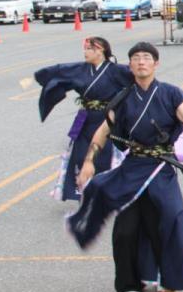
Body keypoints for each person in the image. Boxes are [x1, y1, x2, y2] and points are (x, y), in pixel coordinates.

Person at [68, 42, 183, 292]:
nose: (141, 62)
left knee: (168, 221)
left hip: (161, 167)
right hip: (133, 167)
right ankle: (128, 282)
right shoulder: (123, 97)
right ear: (130, 65)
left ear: (156, 64)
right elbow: (103, 131)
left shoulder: (171, 93)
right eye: (135, 58)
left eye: (146, 57)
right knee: (126, 229)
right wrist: (90, 161)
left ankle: (167, 278)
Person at [30, 37, 133, 201]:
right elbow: (58, 71)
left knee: (105, 156)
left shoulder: (116, 70)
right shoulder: (80, 69)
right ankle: (85, 191)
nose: (84, 53)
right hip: (85, 118)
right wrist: (42, 77)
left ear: (100, 50)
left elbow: (139, 80)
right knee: (79, 155)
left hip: (107, 119)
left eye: (88, 49)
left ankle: (109, 192)